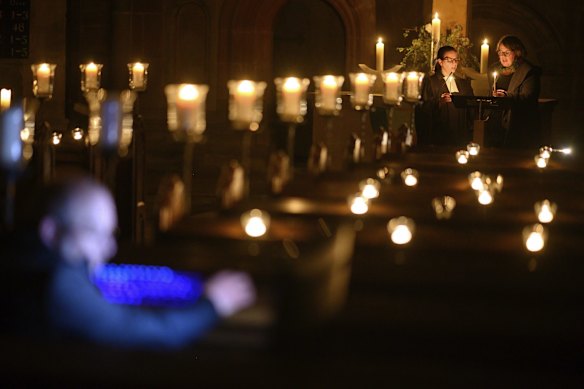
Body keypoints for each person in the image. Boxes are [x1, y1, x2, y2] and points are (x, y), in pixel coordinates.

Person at [1, 175, 256, 349]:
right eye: (95, 234)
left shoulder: (16, 253)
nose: (109, 248)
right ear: (50, 231)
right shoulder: (55, 282)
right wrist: (213, 304)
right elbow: (149, 334)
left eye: (110, 234)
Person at [487, 35, 541, 148]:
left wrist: (507, 96)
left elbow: (528, 97)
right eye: (500, 53)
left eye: (506, 53)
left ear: (517, 52)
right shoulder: (495, 70)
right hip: (496, 123)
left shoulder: (528, 71)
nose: (502, 57)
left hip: (518, 123)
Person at [418, 45, 475, 146]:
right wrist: (439, 103)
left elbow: (472, 107)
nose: (454, 63)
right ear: (440, 62)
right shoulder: (431, 82)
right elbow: (423, 108)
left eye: (456, 60)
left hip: (461, 135)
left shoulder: (464, 83)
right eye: (449, 60)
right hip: (440, 136)